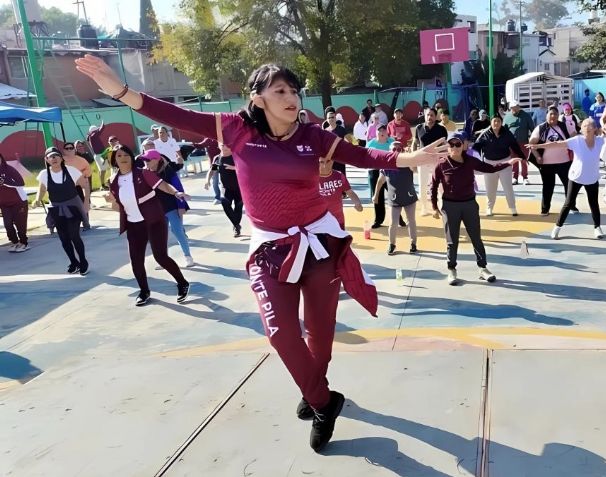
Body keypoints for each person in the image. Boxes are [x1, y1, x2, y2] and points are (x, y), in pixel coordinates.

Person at [75, 53, 447, 452]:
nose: (292, 98)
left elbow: (361, 156)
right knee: (281, 334)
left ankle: (313, 392)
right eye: (280, 91)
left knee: (320, 338)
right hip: (269, 249)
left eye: (295, 91)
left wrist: (408, 158)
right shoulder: (235, 130)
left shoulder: (315, 136)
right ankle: (325, 402)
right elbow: (175, 115)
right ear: (258, 99)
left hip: (319, 247)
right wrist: (121, 91)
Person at [104, 146, 191, 306]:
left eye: (125, 154)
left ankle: (182, 282)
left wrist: (176, 193)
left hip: (154, 220)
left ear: (131, 157)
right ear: (114, 160)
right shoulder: (113, 181)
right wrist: (111, 200)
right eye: (119, 155)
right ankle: (144, 291)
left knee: (160, 256)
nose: (122, 157)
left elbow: (163, 185)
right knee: (136, 261)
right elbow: (118, 207)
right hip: (133, 225)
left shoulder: (143, 173)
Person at [431, 132, 519, 285]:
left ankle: (483, 268)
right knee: (452, 240)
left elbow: (490, 168)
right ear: (447, 147)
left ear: (463, 145)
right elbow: (433, 186)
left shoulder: (470, 161)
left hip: (469, 204)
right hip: (450, 206)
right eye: (451, 144)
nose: (454, 147)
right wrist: (434, 207)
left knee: (476, 237)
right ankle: (452, 269)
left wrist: (508, 163)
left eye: (457, 144)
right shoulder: (441, 164)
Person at [529, 118, 605, 240]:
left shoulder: (600, 141)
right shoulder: (577, 140)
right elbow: (557, 144)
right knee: (568, 203)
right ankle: (557, 227)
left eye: (589, 125)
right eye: (584, 125)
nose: (586, 127)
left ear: (594, 128)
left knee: (594, 204)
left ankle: (597, 227)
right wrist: (537, 145)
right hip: (576, 177)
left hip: (592, 178)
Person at [34, 147, 90, 275]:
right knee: (64, 238)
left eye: (56, 156)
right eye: (51, 156)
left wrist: (86, 202)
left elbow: (85, 184)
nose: (54, 158)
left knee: (74, 235)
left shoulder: (71, 171)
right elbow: (42, 189)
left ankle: (83, 261)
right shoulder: (44, 174)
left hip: (73, 207)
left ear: (61, 158)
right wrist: (37, 200)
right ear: (46, 160)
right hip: (57, 209)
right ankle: (73, 262)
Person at [137, 149, 194, 268]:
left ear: (157, 160)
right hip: (157, 209)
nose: (145, 162)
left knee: (177, 231)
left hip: (171, 207)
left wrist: (181, 206)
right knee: (160, 235)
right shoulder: (145, 173)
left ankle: (188, 256)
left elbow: (178, 188)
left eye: (148, 159)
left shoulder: (168, 171)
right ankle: (164, 260)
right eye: (144, 160)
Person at [472, 115, 524, 216]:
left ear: (501, 122)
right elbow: (475, 149)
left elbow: (515, 146)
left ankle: (512, 208)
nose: (496, 123)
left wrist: (523, 157)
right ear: (491, 123)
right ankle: (489, 207)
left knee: (508, 187)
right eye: (494, 121)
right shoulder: (484, 134)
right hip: (489, 164)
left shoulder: (507, 133)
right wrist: (472, 160)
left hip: (505, 163)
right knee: (490, 188)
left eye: (498, 121)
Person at [373, 141, 418, 255]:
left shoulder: (408, 162)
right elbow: (380, 181)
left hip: (409, 196)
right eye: (394, 149)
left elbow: (415, 169)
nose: (397, 150)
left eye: (399, 148)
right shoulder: (386, 165)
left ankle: (413, 243)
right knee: (393, 223)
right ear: (389, 151)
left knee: (411, 221)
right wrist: (376, 194)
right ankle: (392, 244)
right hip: (394, 198)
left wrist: (411, 156)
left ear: (403, 150)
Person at [529, 107, 572, 216]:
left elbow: (575, 137)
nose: (553, 116)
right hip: (546, 164)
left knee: (569, 185)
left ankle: (571, 205)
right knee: (548, 186)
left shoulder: (564, 126)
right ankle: (545, 208)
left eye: (555, 114)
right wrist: (537, 156)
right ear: (546, 115)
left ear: (558, 115)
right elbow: (532, 143)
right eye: (551, 114)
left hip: (564, 162)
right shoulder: (540, 128)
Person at [366, 125, 405, 229]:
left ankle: (399, 219)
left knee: (394, 195)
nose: (382, 132)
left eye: (384, 130)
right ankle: (378, 220)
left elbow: (398, 153)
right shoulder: (371, 143)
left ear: (387, 133)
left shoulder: (392, 142)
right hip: (374, 172)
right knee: (377, 196)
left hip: (389, 171)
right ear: (376, 133)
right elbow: (365, 158)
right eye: (380, 131)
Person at [412, 108, 448, 216]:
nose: (429, 117)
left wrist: (445, 159)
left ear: (435, 116)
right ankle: (424, 208)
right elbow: (415, 143)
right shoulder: (419, 128)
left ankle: (442, 206)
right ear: (425, 115)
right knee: (423, 185)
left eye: (432, 115)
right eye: (428, 115)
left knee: (440, 185)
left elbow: (445, 145)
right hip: (422, 160)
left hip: (437, 160)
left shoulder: (442, 129)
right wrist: (413, 158)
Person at [205, 143, 243, 237]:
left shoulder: (236, 156)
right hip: (226, 188)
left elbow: (247, 168)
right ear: (219, 146)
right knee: (225, 203)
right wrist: (207, 180)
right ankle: (236, 225)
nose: (224, 148)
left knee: (238, 207)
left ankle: (236, 227)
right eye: (222, 145)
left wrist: (234, 168)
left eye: (226, 146)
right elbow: (212, 170)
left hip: (239, 187)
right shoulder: (217, 158)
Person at [318, 156, 363, 230]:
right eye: (321, 162)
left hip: (338, 220)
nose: (325, 165)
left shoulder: (339, 175)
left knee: (339, 241)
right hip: (319, 222)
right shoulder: (311, 178)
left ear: (333, 161)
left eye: (328, 161)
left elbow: (350, 192)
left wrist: (357, 202)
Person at [60, 142, 92, 231]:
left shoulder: (82, 160)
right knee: (69, 207)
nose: (69, 150)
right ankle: (73, 224)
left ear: (75, 149)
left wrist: (82, 178)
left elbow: (88, 173)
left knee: (82, 204)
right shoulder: (60, 160)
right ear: (64, 150)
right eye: (67, 148)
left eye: (71, 148)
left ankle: (86, 223)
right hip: (65, 187)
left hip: (78, 186)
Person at [0, 153, 29, 252]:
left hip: (19, 202)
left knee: (20, 224)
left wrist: (5, 182)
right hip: (4, 204)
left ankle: (24, 243)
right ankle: (15, 242)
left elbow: (21, 183)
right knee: (8, 224)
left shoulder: (9, 169)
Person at [503, 101, 534, 185]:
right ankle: (514, 177)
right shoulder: (507, 116)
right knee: (514, 160)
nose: (513, 109)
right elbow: (503, 130)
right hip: (511, 144)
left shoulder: (526, 116)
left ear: (518, 107)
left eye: (514, 108)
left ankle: (525, 178)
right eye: (511, 108)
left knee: (523, 160)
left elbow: (532, 129)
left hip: (523, 142)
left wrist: (533, 141)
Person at [193, 137, 222, 203]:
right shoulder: (208, 139)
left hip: (224, 162)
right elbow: (200, 145)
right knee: (215, 181)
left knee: (226, 181)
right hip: (214, 164)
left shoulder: (221, 136)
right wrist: (191, 144)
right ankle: (217, 197)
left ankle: (229, 197)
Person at [87, 122, 110, 190]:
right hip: (99, 155)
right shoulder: (93, 135)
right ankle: (102, 185)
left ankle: (103, 184)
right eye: (96, 130)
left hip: (101, 154)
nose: (97, 131)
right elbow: (101, 129)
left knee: (104, 170)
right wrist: (102, 123)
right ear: (93, 131)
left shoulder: (92, 136)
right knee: (102, 170)